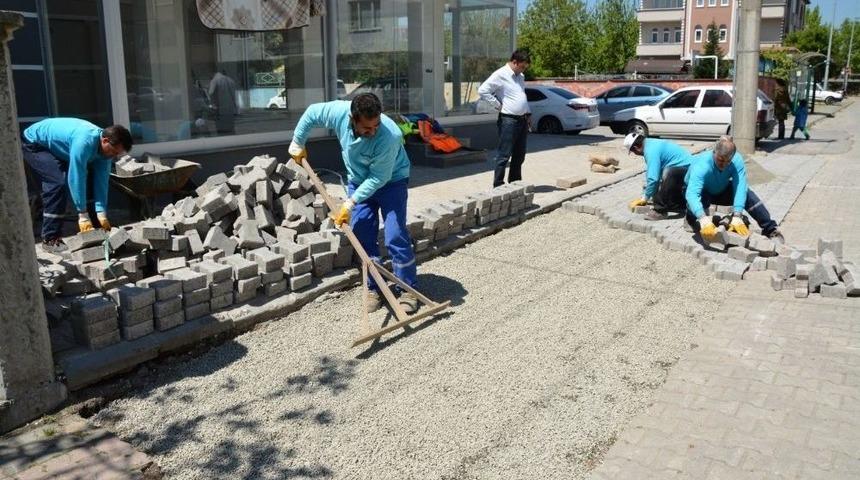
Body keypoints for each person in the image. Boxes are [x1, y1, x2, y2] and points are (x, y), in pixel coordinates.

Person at [288, 93, 418, 314]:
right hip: (358, 180)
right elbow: (311, 113)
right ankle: (374, 287)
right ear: (352, 118)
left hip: (392, 181)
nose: (373, 130)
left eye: (376, 124)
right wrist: (297, 141)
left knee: (395, 235)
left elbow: (379, 179)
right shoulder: (339, 112)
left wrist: (350, 202)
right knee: (363, 234)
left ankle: (408, 289)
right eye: (367, 128)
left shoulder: (390, 136)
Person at [22, 118, 132, 252]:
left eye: (117, 154)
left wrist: (101, 212)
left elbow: (101, 182)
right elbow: (76, 177)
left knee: (92, 178)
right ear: (105, 140)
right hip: (36, 143)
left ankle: (97, 230)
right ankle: (50, 238)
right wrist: (82, 213)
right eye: (114, 152)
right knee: (57, 183)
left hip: (60, 145)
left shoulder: (105, 153)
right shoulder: (84, 142)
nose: (113, 156)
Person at [684, 136, 784, 244]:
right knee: (697, 201)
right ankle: (690, 219)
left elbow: (740, 187)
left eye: (728, 162)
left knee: (748, 194)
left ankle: (771, 229)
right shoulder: (702, 165)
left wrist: (737, 215)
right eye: (720, 160)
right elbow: (692, 194)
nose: (723, 164)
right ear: (714, 152)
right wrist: (702, 218)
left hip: (720, 189)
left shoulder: (736, 160)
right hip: (701, 191)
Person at [478, 49, 531, 188]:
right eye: (522, 66)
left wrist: (528, 113)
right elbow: (483, 90)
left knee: (519, 155)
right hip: (509, 120)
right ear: (515, 62)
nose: (523, 69)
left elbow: (521, 95)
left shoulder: (520, 77)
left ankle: (515, 184)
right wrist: (498, 105)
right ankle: (499, 186)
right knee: (504, 154)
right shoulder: (500, 74)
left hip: (522, 119)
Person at [624, 133, 698, 221]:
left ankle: (660, 211)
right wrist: (646, 193)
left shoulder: (650, 150)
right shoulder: (651, 143)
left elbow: (653, 179)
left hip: (690, 173)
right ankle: (677, 205)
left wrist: (645, 198)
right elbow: (652, 173)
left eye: (633, 152)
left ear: (636, 148)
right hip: (685, 172)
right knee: (664, 175)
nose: (635, 153)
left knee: (667, 173)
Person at [208, 69, 238, 134]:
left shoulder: (214, 80)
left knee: (222, 131)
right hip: (230, 110)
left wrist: (212, 108)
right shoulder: (231, 80)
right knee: (230, 129)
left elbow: (211, 94)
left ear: (213, 73)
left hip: (220, 111)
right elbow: (234, 96)